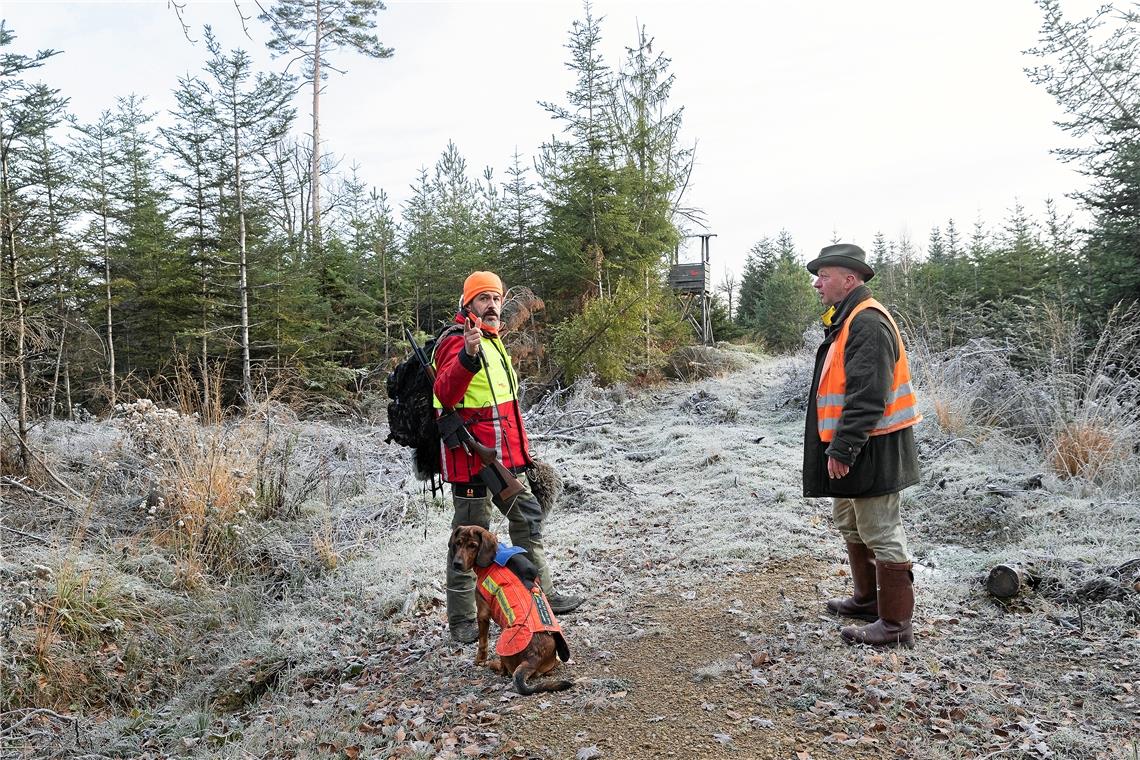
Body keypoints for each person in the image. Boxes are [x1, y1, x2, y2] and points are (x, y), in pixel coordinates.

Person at [433, 271, 583, 644]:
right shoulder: (458, 342)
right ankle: (463, 620)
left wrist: (522, 455)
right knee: (467, 538)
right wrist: (468, 356)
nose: (492, 305)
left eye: (496, 299)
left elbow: (506, 410)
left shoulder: (494, 341)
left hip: (502, 460)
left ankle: (540, 594)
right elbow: (444, 392)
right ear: (467, 304)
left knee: (527, 518)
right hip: (470, 463)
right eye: (483, 299)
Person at [803, 244, 922, 648]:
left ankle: (894, 626)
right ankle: (867, 601)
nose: (817, 283)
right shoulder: (848, 318)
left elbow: (868, 396)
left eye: (825, 275)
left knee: (881, 530)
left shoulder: (867, 322)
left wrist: (843, 449)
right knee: (852, 523)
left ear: (849, 280)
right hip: (858, 446)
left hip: (872, 448)